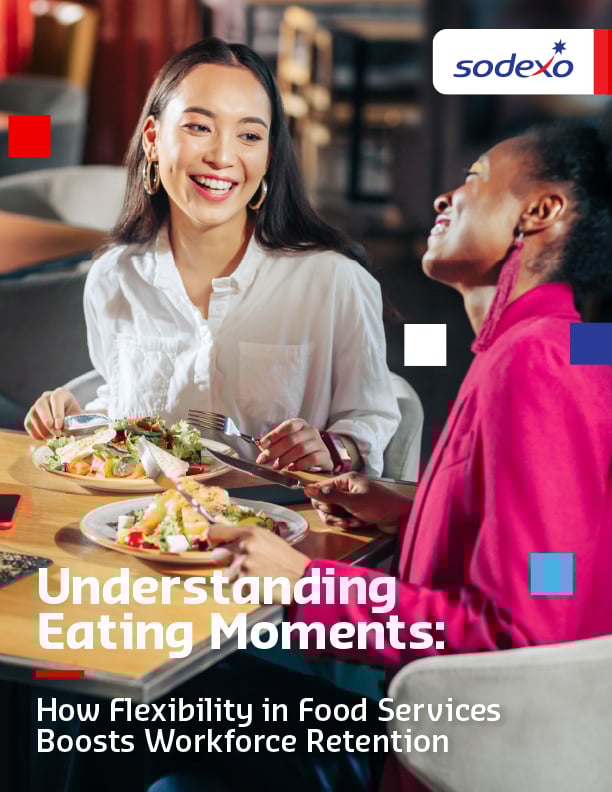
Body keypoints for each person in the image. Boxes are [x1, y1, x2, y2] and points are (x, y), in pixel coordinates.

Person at [189, 117, 612, 791]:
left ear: (540, 211)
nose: (446, 197)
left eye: (474, 179)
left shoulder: (537, 362)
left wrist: (305, 585)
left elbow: (518, 635)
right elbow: (555, 554)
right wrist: (409, 510)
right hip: (466, 730)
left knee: (144, 709)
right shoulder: (561, 344)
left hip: (462, 755)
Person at [23, 37, 400, 477]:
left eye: (249, 135)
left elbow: (373, 420)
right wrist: (79, 420)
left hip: (279, 528)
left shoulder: (333, 280)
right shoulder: (114, 275)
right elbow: (123, 400)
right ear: (152, 140)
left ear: (268, 156)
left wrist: (333, 449)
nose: (223, 156)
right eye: (199, 127)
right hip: (143, 527)